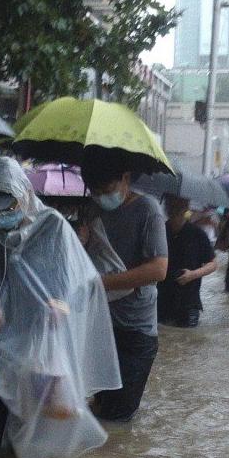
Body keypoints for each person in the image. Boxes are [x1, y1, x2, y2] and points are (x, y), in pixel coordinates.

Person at [0, 158, 121, 458]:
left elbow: (76, 278)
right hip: (0, 337)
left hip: (39, 336)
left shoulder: (53, 226)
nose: (0, 218)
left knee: (35, 421)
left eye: (8, 209)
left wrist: (60, 303)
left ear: (24, 195)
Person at [82, 162, 168, 422]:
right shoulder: (92, 210)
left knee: (118, 418)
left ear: (126, 178)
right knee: (98, 408)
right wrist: (80, 240)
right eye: (94, 190)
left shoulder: (147, 209)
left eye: (106, 188)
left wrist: (103, 283)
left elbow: (158, 269)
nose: (100, 196)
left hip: (135, 330)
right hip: (101, 325)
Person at [157, 195, 218, 328]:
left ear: (186, 207)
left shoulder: (197, 234)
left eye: (178, 205)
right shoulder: (159, 232)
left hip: (188, 303)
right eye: (171, 205)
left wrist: (192, 274)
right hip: (161, 299)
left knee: (186, 337)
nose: (174, 209)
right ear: (166, 207)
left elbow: (213, 264)